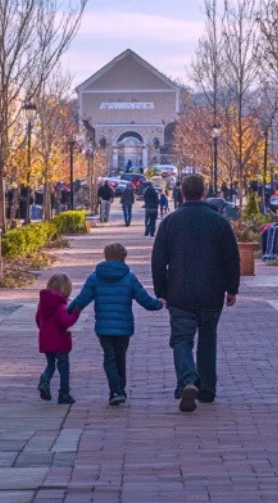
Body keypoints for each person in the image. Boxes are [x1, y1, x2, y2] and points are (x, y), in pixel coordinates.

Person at [151, 173, 241, 413]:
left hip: (179, 292)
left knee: (181, 340)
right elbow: (232, 257)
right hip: (212, 291)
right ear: (204, 192)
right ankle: (208, 390)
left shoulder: (170, 222)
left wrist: (162, 290)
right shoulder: (219, 221)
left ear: (182, 194)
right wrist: (232, 288)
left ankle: (188, 380)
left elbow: (158, 261)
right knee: (208, 340)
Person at [68, 243, 162, 405]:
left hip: (103, 327)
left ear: (105, 256)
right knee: (120, 357)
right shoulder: (129, 277)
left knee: (109, 359)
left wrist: (67, 310)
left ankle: (116, 390)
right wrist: (159, 303)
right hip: (124, 327)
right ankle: (119, 389)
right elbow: (144, 300)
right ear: (123, 257)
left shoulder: (95, 277)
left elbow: (82, 299)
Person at [36, 273, 80, 405]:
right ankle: (64, 393)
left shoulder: (42, 302)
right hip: (59, 340)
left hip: (45, 338)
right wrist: (76, 313)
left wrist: (44, 329)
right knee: (63, 367)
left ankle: (45, 380)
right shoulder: (60, 304)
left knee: (50, 365)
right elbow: (66, 321)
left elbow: (38, 319)